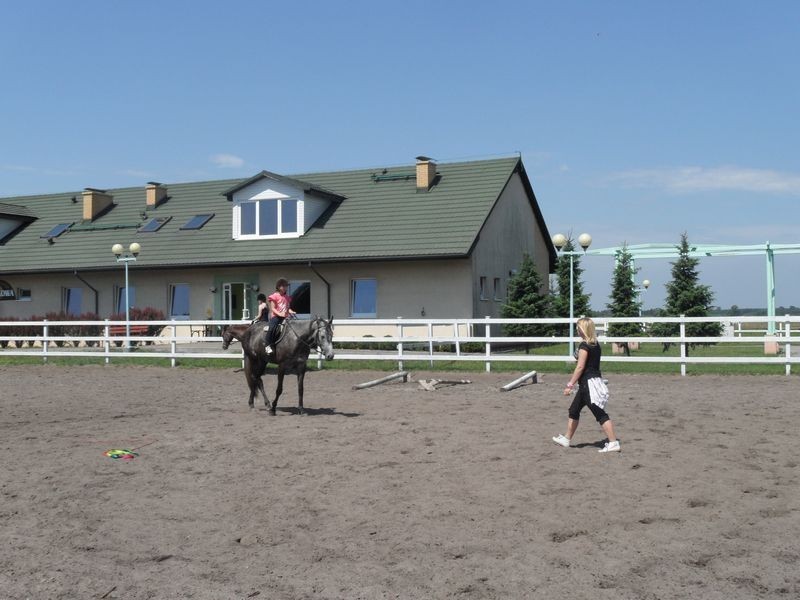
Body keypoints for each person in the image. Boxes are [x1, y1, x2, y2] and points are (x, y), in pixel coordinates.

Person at [552, 317, 620, 453]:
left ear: (584, 329)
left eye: (578, 327)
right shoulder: (595, 344)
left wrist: (570, 384)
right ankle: (566, 438)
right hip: (589, 383)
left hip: (588, 384)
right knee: (574, 410)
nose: (577, 330)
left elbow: (580, 367)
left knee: (599, 413)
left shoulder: (584, 345)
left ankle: (613, 442)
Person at [264, 278, 296, 354]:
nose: (285, 288)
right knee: (272, 328)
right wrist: (279, 314)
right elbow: (273, 308)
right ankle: (267, 345)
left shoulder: (287, 298)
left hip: (285, 317)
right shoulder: (274, 296)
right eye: (284, 286)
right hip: (276, 317)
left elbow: (287, 309)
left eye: (286, 286)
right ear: (278, 287)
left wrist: (292, 312)